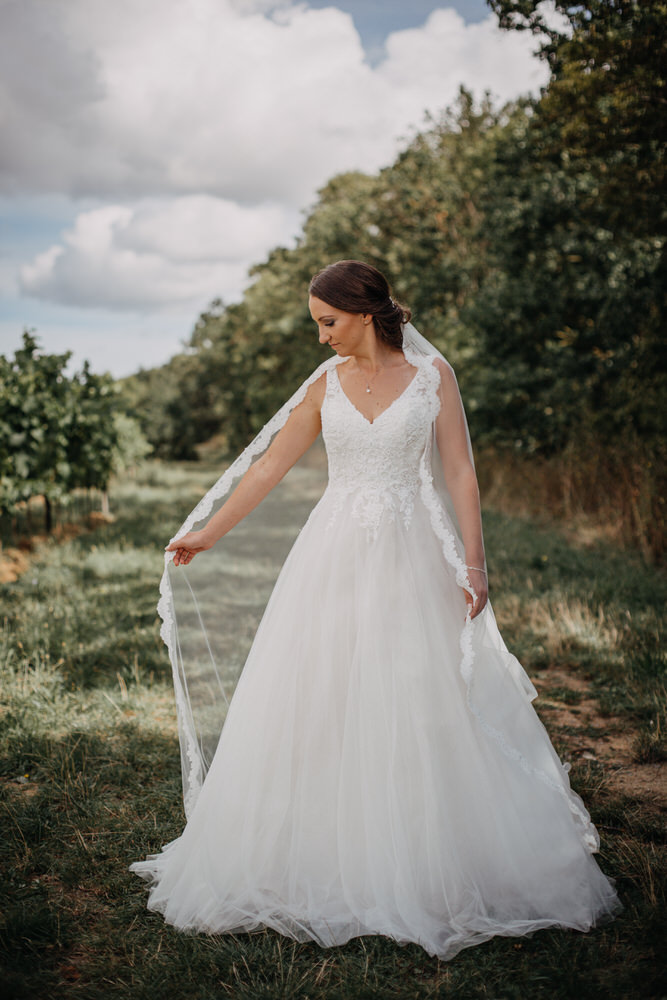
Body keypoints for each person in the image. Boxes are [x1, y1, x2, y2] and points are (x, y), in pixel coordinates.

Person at [130, 260, 621, 961]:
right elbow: (269, 465)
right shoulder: (324, 385)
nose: (321, 336)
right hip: (330, 555)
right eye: (316, 325)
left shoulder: (431, 378)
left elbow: (458, 472)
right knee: (321, 687)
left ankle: (425, 852)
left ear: (363, 311)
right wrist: (209, 531)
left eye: (327, 322)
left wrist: (473, 564)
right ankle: (320, 845)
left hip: (412, 552)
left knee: (414, 689)